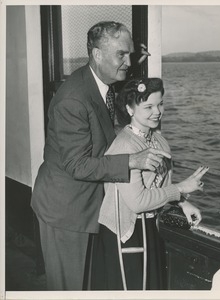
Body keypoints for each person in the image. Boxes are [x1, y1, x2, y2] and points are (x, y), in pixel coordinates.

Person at [30, 21, 170, 291]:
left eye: (129, 53)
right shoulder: (73, 98)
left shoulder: (103, 86)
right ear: (96, 55)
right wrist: (132, 160)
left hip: (89, 205)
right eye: (121, 54)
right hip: (66, 210)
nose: (128, 62)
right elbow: (77, 164)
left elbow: (103, 133)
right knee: (68, 289)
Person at [91, 77, 209, 290]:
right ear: (129, 109)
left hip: (149, 226)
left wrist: (183, 202)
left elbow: (161, 186)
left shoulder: (159, 140)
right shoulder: (124, 146)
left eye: (160, 103)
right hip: (125, 231)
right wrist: (182, 188)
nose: (157, 111)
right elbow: (138, 202)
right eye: (148, 106)